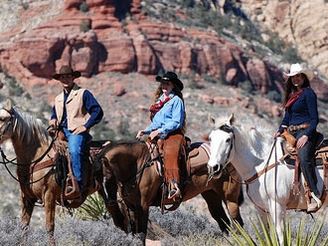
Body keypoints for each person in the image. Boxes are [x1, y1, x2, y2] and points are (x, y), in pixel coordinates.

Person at [50, 65, 103, 197]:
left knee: (74, 150)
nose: (65, 79)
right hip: (60, 131)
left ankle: (77, 183)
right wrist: (52, 119)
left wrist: (85, 126)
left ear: (73, 78)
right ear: (59, 79)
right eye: (63, 77)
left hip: (76, 131)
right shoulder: (58, 98)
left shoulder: (83, 93)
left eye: (68, 76)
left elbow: (97, 111)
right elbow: (54, 114)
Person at [274, 63, 321, 212]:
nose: (295, 79)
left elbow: (315, 119)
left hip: (307, 131)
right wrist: (280, 129)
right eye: (293, 77)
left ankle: (315, 194)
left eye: (298, 76)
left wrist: (306, 135)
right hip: (291, 133)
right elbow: (286, 119)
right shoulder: (291, 96)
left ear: (304, 77)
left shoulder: (308, 93)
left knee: (304, 157)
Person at [136, 71, 186, 200]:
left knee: (170, 153)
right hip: (158, 133)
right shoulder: (160, 101)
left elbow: (176, 122)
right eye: (163, 83)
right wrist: (145, 131)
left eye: (167, 83)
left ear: (173, 85)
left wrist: (160, 131)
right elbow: (156, 123)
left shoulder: (176, 101)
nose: (164, 86)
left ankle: (174, 186)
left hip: (173, 134)